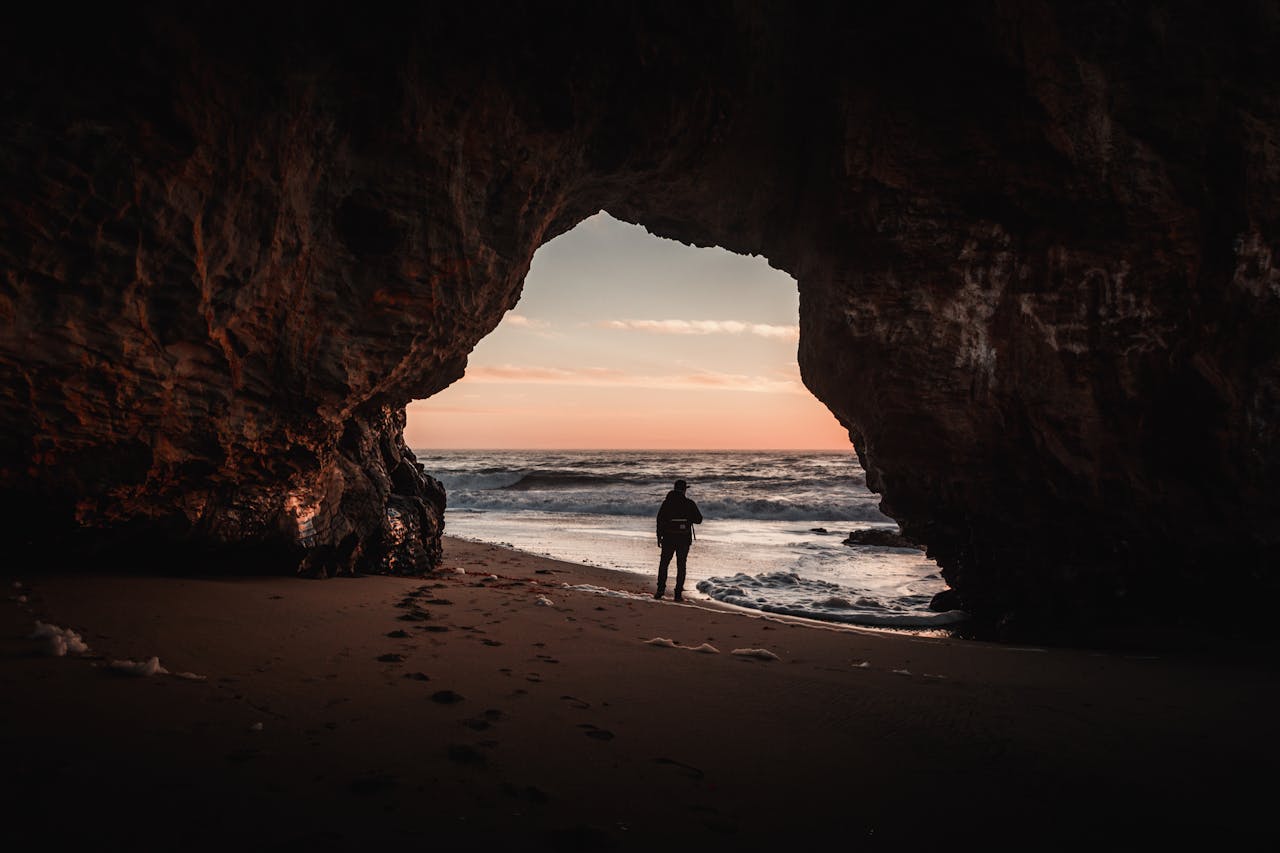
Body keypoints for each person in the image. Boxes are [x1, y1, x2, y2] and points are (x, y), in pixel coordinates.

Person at [654, 479, 703, 601]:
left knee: (664, 564)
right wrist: (688, 518)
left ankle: (660, 591)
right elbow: (699, 519)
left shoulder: (667, 503)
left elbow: (659, 520)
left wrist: (659, 537)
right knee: (681, 565)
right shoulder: (689, 503)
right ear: (685, 490)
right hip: (684, 539)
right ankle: (677, 594)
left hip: (668, 538)